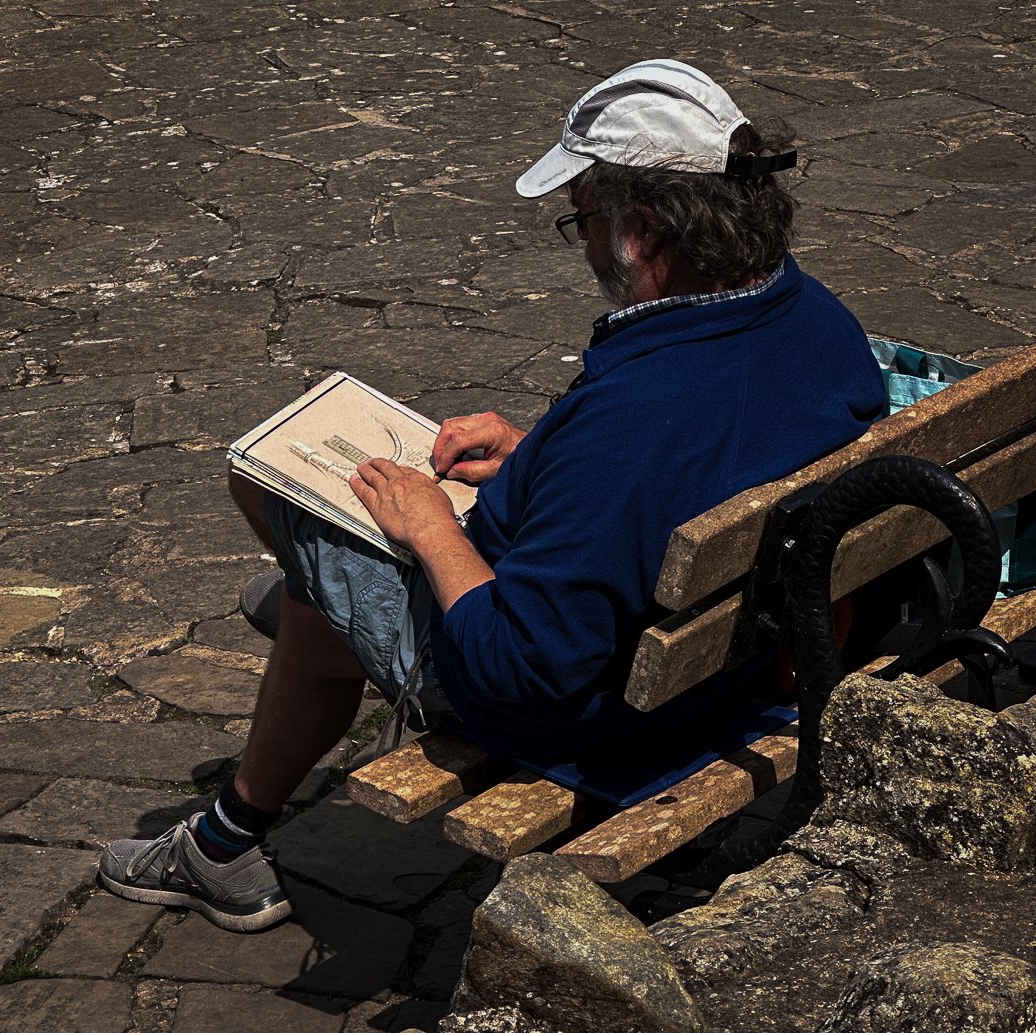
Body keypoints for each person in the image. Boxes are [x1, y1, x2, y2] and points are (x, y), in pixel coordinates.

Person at [99, 59, 885, 931]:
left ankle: (226, 834)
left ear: (645, 230)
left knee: (274, 494)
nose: (583, 242)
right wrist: (535, 456)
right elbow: (687, 460)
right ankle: (298, 676)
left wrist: (435, 532)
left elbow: (521, 672)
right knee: (322, 589)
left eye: (584, 216)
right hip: (737, 651)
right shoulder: (815, 319)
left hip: (610, 712)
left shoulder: (629, 419)